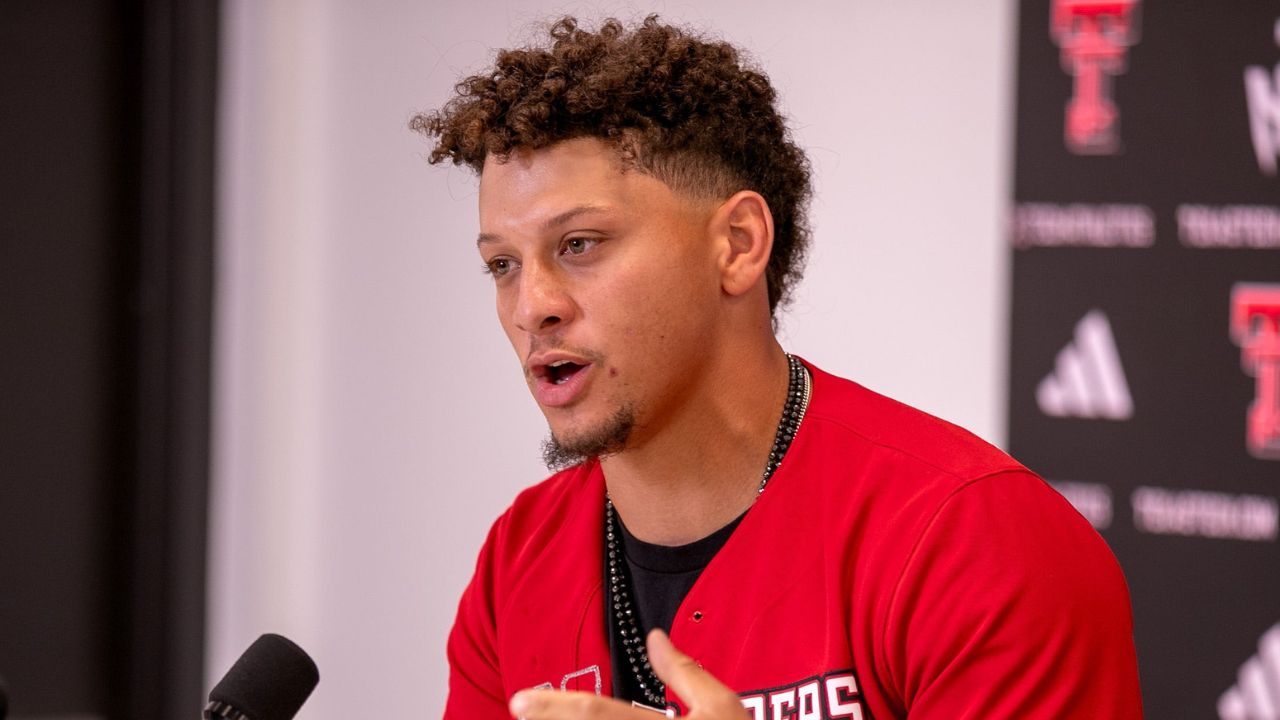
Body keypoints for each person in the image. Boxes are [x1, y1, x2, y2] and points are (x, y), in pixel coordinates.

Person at [414, 15, 1142, 720]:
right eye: (502, 265)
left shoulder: (972, 541)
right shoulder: (519, 560)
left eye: (580, 244)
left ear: (736, 243)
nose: (530, 305)